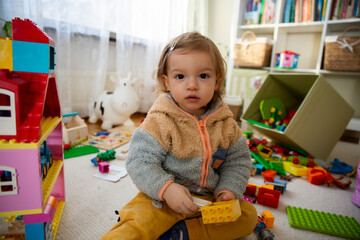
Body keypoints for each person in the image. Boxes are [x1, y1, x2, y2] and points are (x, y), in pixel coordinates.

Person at [101, 32, 258, 240]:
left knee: (248, 216)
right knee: (137, 222)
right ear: (167, 82)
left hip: (208, 199)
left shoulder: (226, 123)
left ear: (217, 80)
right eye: (180, 76)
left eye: (203, 76)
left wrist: (227, 191)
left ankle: (183, 233)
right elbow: (139, 162)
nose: (192, 85)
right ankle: (172, 227)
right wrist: (166, 189)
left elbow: (238, 162)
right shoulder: (160, 120)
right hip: (163, 198)